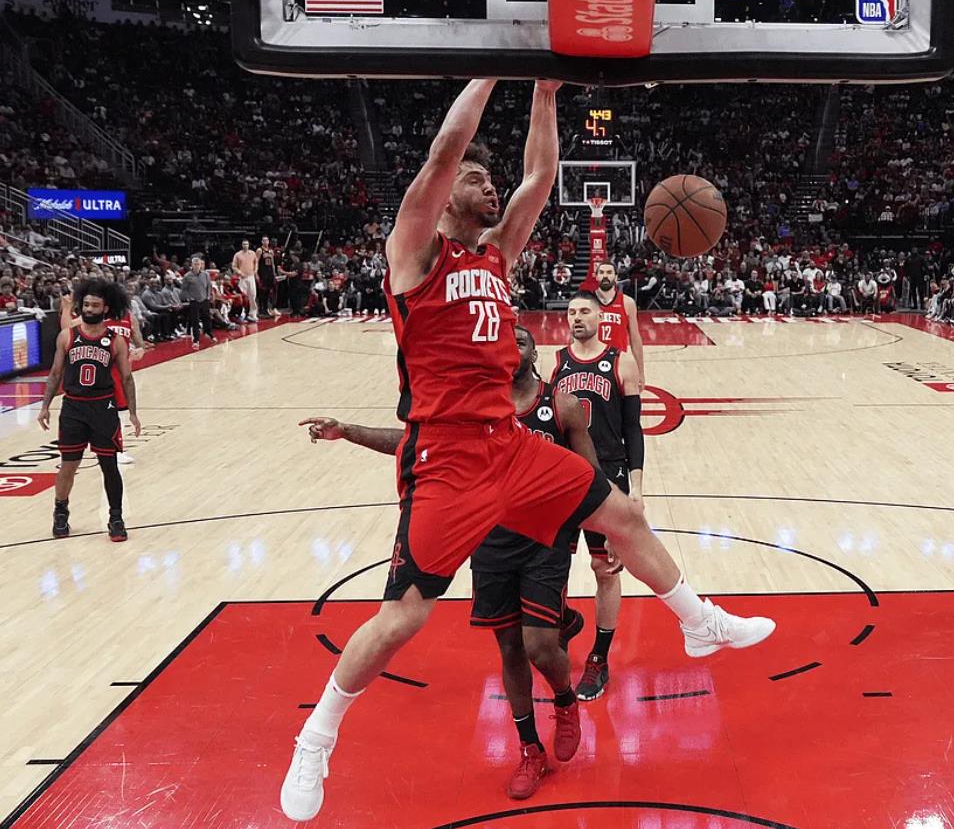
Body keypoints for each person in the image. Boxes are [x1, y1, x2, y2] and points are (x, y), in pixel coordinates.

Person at [279, 79, 774, 822]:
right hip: (446, 459)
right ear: (447, 191)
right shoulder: (413, 254)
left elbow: (540, 176)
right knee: (402, 618)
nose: (492, 187)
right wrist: (488, 72)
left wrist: (544, 89)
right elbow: (444, 151)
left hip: (510, 447)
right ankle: (316, 738)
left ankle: (697, 621)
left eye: (491, 179)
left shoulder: (495, 258)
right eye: (478, 178)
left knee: (623, 515)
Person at [296, 326, 595, 800]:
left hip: (546, 540)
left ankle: (564, 700)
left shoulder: (562, 405)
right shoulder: (473, 409)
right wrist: (348, 431)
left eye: (520, 341)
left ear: (535, 352)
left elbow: (591, 478)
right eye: (504, 342)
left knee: (540, 647)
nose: (511, 348)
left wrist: (602, 541)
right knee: (510, 650)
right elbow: (413, 442)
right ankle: (529, 750)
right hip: (488, 538)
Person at [552, 291, 643, 702]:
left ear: (601, 317)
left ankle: (599, 657)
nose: (576, 317)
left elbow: (633, 430)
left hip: (607, 476)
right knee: (550, 564)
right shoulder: (556, 363)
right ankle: (562, 621)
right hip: (562, 477)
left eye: (585, 311)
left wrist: (635, 490)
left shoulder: (621, 362)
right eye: (571, 312)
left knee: (605, 568)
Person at [37, 279, 141, 541]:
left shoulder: (115, 340)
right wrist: (45, 406)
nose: (90, 309)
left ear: (105, 308)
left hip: (103, 406)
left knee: (109, 465)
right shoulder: (67, 335)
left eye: (95, 305)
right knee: (68, 465)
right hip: (73, 407)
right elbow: (55, 373)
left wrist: (132, 412)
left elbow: (127, 378)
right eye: (86, 305)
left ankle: (115, 517)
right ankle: (61, 512)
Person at [59, 288, 147, 465]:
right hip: (99, 370)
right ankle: (82, 449)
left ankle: (117, 450)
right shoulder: (95, 318)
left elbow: (139, 340)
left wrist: (140, 350)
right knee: (97, 412)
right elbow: (67, 329)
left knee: (120, 411)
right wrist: (67, 309)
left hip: (120, 370)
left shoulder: (128, 317)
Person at [583, 261, 644, 388]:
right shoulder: (586, 302)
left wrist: (640, 372)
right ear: (596, 276)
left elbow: (635, 339)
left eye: (609, 272)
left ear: (616, 277)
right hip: (590, 363)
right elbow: (576, 337)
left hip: (618, 363)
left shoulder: (627, 302)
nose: (605, 276)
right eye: (602, 272)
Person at [181, 257, 217, 349]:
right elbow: (184, 289)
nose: (197, 266)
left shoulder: (205, 274)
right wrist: (190, 298)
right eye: (195, 264)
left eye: (198, 264)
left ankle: (208, 333)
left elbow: (209, 285)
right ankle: (196, 340)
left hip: (204, 299)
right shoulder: (187, 276)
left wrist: (208, 296)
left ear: (201, 265)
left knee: (207, 318)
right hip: (194, 301)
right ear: (192, 265)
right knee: (195, 321)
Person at [232, 239, 259, 323]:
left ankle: (252, 314)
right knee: (243, 297)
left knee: (253, 295)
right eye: (244, 244)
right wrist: (240, 273)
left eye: (246, 244)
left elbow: (256, 263)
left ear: (249, 245)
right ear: (242, 245)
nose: (245, 246)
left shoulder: (253, 253)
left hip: (251, 277)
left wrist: (255, 271)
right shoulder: (237, 255)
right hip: (242, 278)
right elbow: (234, 266)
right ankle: (242, 314)